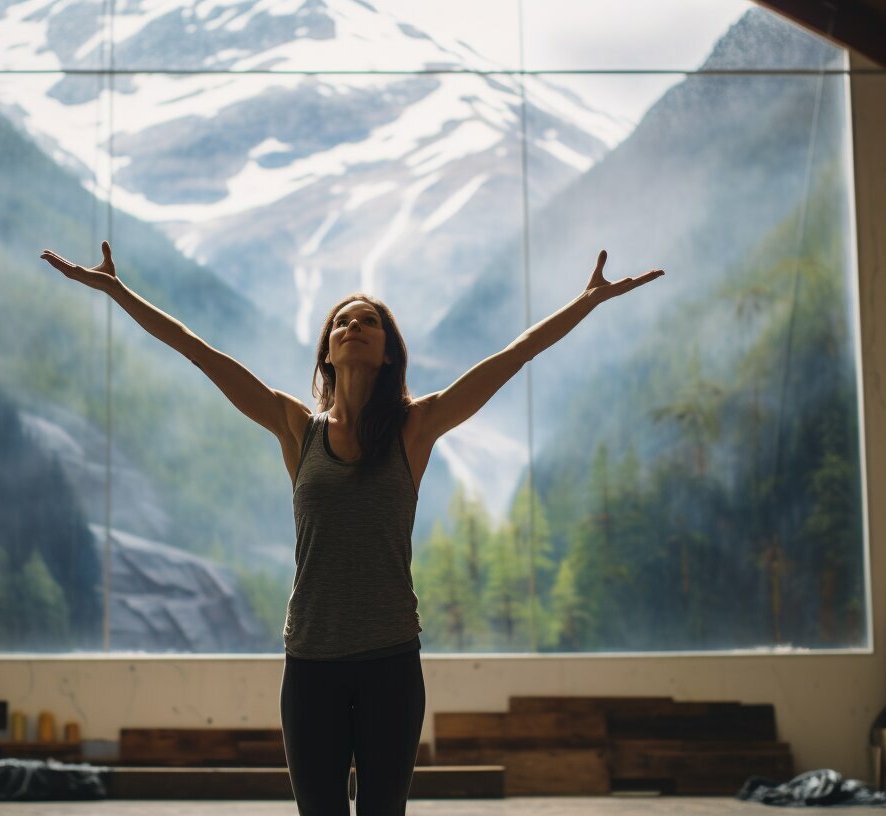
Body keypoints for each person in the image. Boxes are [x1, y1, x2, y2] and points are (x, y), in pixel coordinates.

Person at [40, 240, 663, 815]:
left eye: (369, 321)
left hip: (391, 660)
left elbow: (514, 356)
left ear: (387, 349)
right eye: (343, 322)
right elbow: (197, 350)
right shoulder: (296, 428)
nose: (355, 327)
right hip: (309, 661)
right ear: (328, 352)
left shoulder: (416, 428)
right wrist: (119, 293)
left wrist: (586, 302)